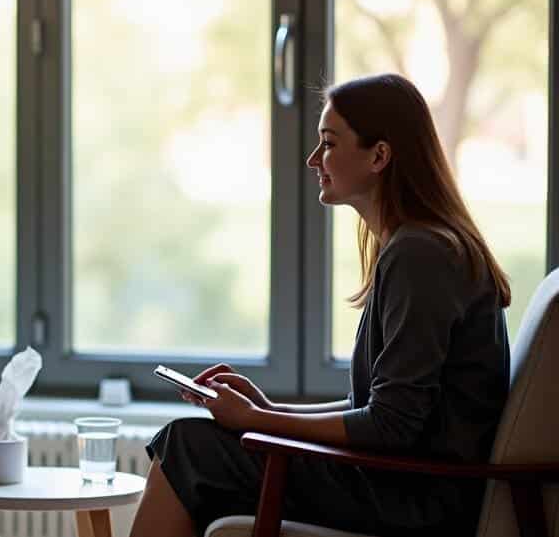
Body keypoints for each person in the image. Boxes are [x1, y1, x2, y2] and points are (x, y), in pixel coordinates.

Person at [129, 73, 511, 537]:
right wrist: (271, 410)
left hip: (415, 501)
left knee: (187, 446)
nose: (313, 159)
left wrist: (257, 420)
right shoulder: (414, 247)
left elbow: (391, 425)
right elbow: (372, 409)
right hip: (399, 482)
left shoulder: (421, 255)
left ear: (379, 155)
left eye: (328, 143)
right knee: (198, 450)